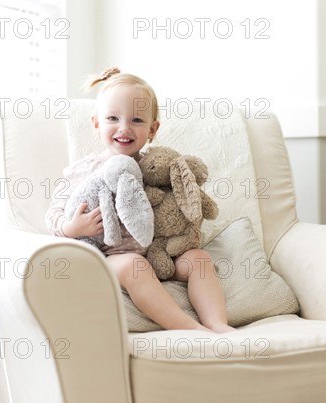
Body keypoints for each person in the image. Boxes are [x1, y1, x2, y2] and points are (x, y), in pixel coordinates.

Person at [45, 67, 234, 333]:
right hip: (112, 257)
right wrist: (72, 228)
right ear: (97, 123)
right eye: (112, 118)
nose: (124, 128)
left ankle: (217, 323)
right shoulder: (86, 170)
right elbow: (53, 214)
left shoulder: (157, 168)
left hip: (159, 253)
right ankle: (189, 328)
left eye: (136, 120)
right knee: (135, 266)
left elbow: (181, 201)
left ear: (152, 129)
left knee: (199, 259)